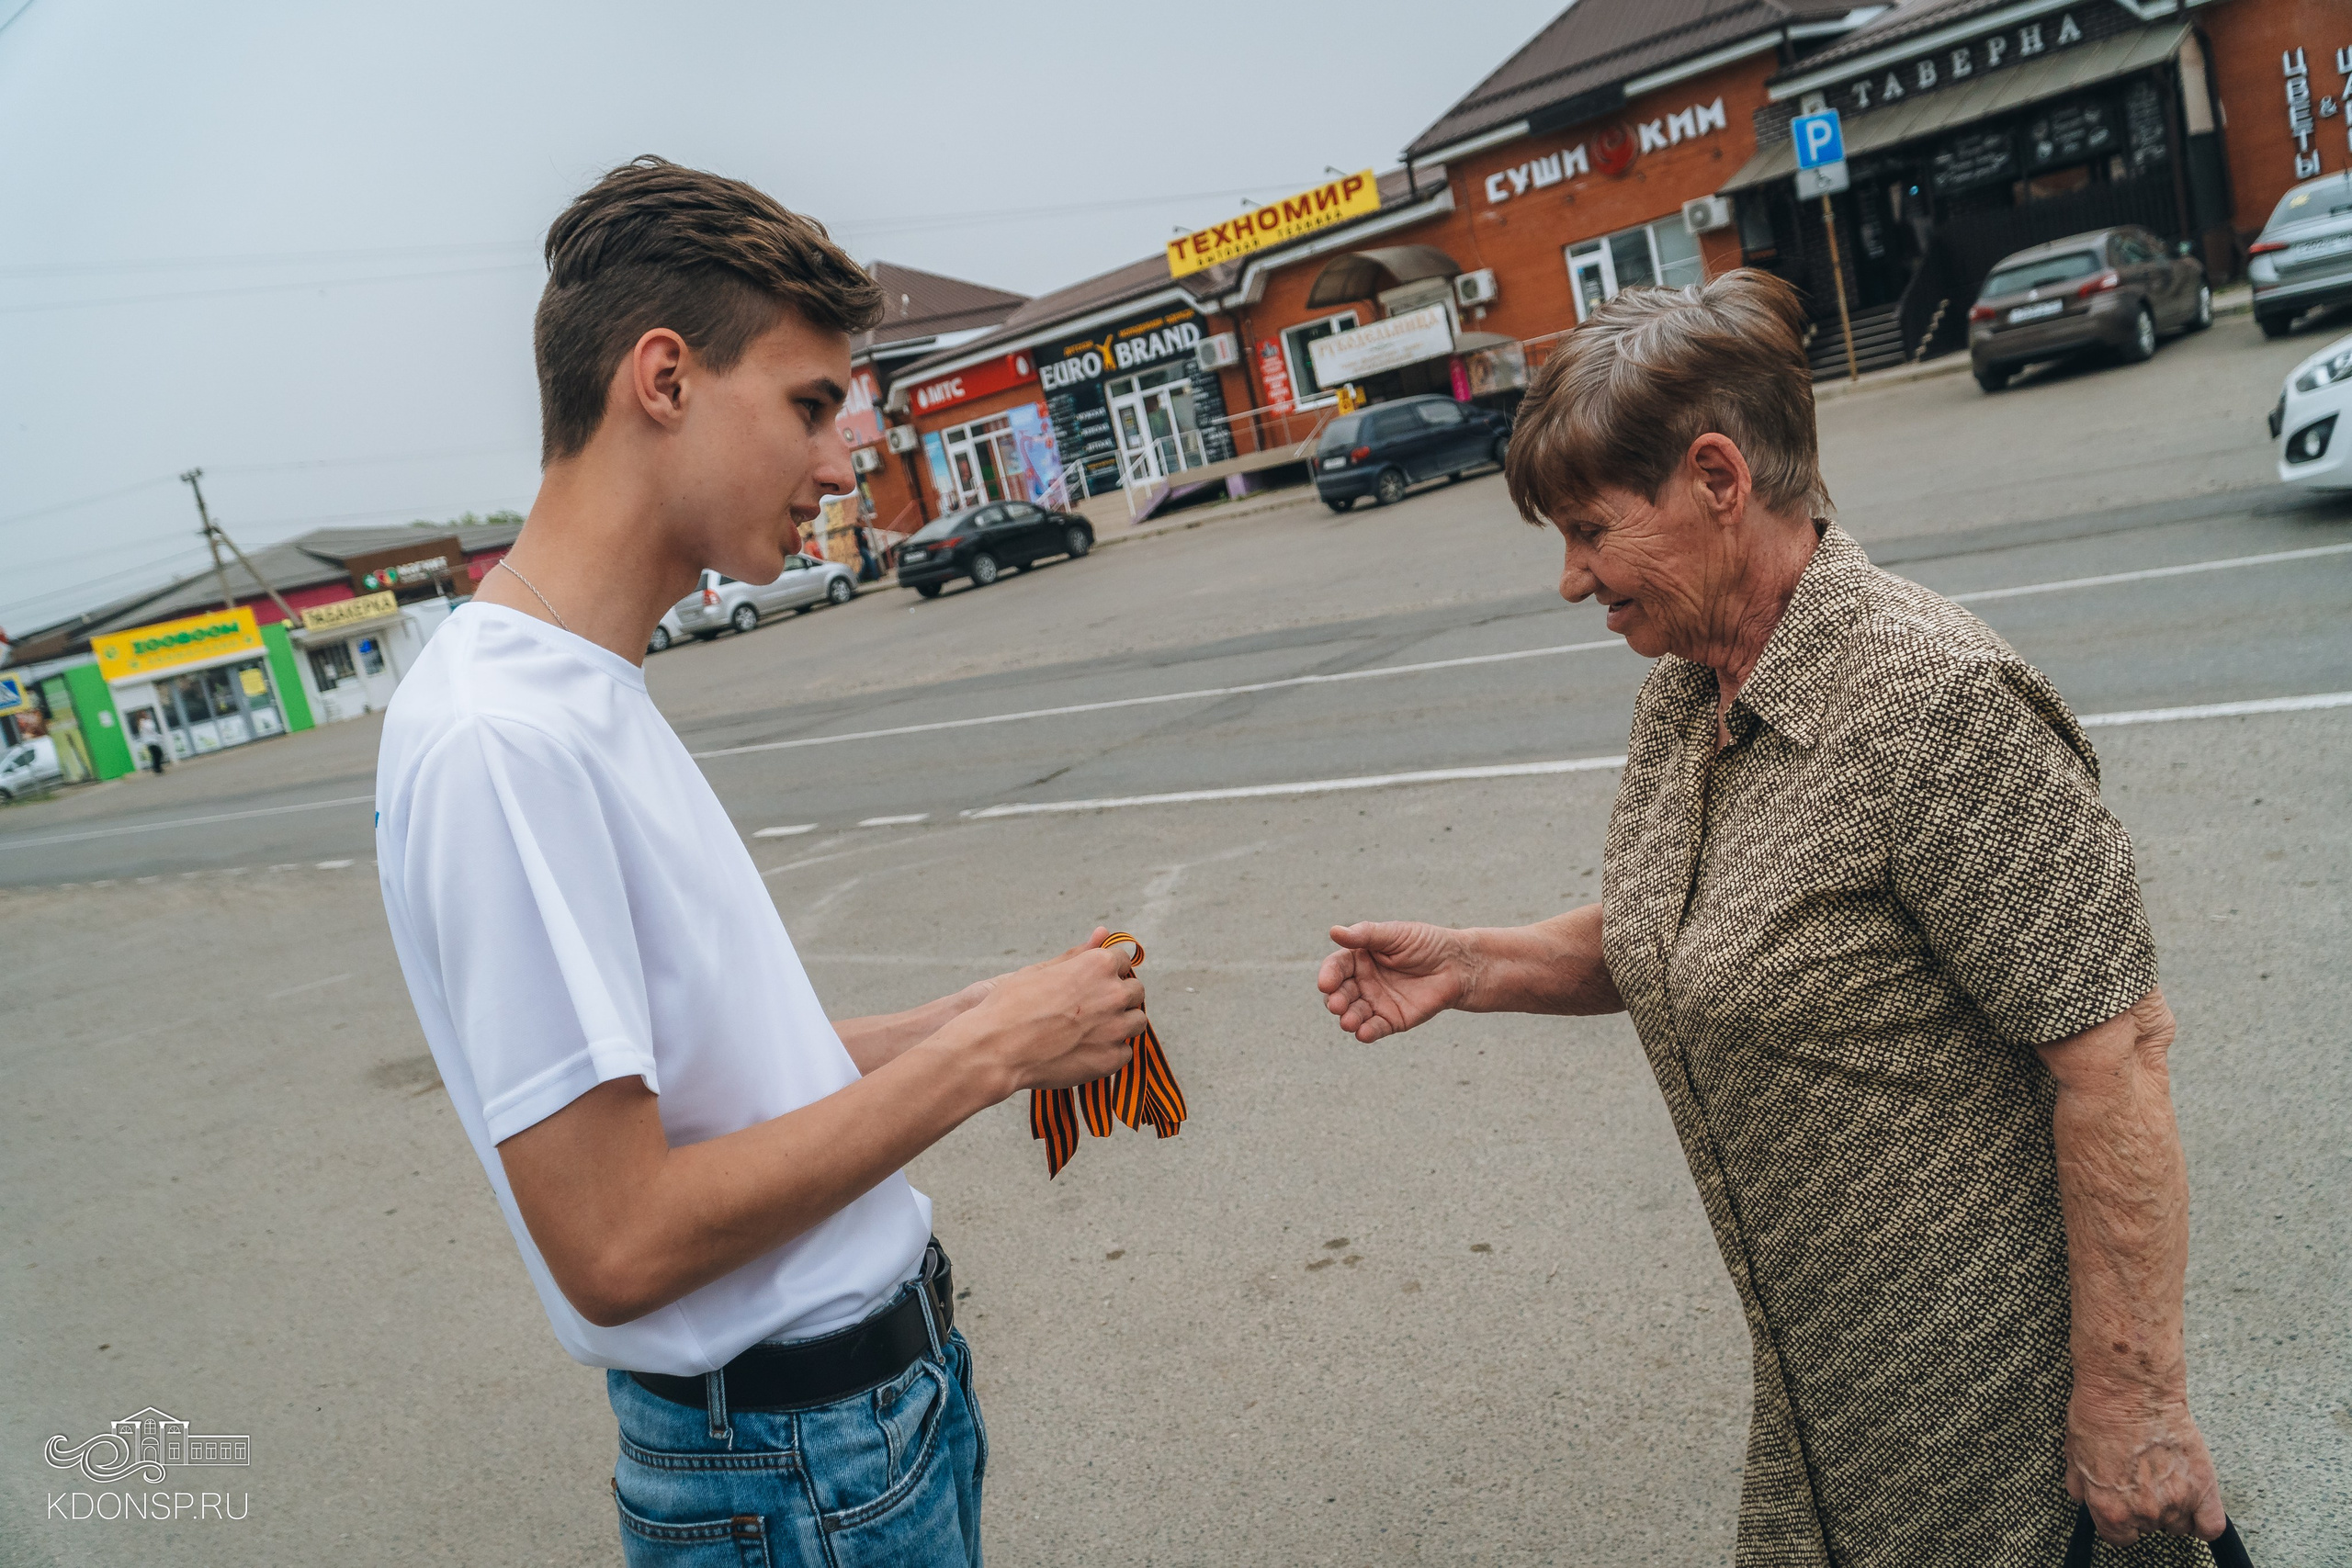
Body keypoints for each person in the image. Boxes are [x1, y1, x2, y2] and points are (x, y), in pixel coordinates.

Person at [1317, 271, 2225, 1566]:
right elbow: (1701, 931)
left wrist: (2134, 1402)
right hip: (1819, 1404)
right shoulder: (1690, 684)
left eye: (1590, 530)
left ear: (1717, 479)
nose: (1571, 580)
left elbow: (2118, 1057)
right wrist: (1473, 963)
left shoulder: (1935, 704)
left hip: (1997, 1429)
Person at [375, 156, 1145, 1565]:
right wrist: (987, 1061)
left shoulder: (578, 692)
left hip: (852, 1434)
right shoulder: (504, 739)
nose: (843, 462)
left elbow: (712, 1085)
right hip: (791, 1474)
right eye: (808, 406)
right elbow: (619, 1243)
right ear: (664, 380)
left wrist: (974, 1018)